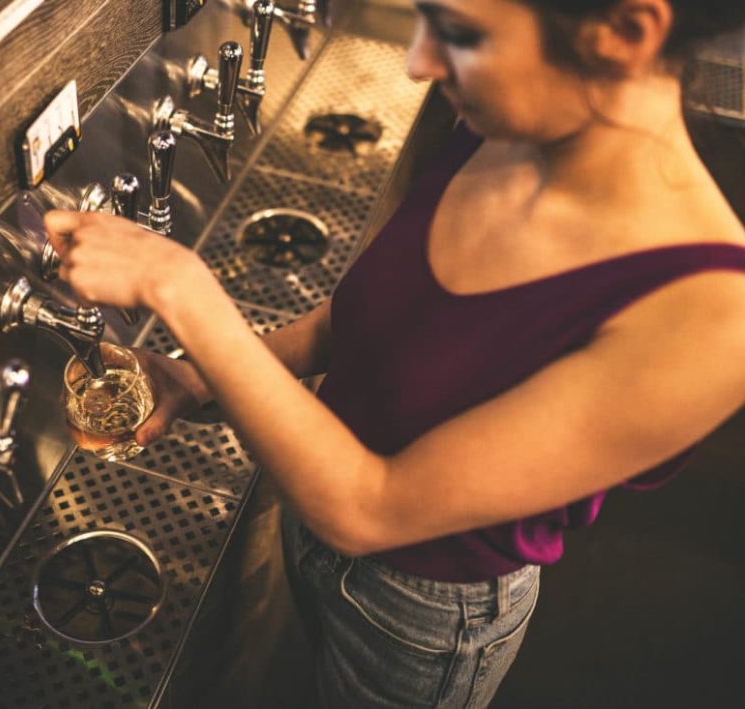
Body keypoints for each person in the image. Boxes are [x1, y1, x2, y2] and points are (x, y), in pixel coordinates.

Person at [43, 0, 745, 705]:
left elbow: (369, 505)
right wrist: (198, 380)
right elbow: (362, 320)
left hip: (428, 612)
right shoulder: (518, 121)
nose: (419, 62)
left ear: (624, 33)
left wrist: (181, 288)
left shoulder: (705, 315)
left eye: (461, 34)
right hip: (314, 514)